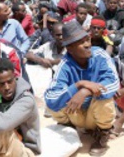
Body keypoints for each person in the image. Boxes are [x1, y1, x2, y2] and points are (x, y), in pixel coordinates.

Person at [45, 21, 119, 156]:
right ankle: (69, 127)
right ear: (70, 49)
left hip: (95, 115)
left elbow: (113, 83)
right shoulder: (65, 64)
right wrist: (79, 85)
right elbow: (51, 99)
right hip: (76, 114)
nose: (88, 45)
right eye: (81, 42)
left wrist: (86, 91)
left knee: (105, 99)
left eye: (87, 40)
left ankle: (102, 134)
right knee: (56, 101)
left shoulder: (100, 55)